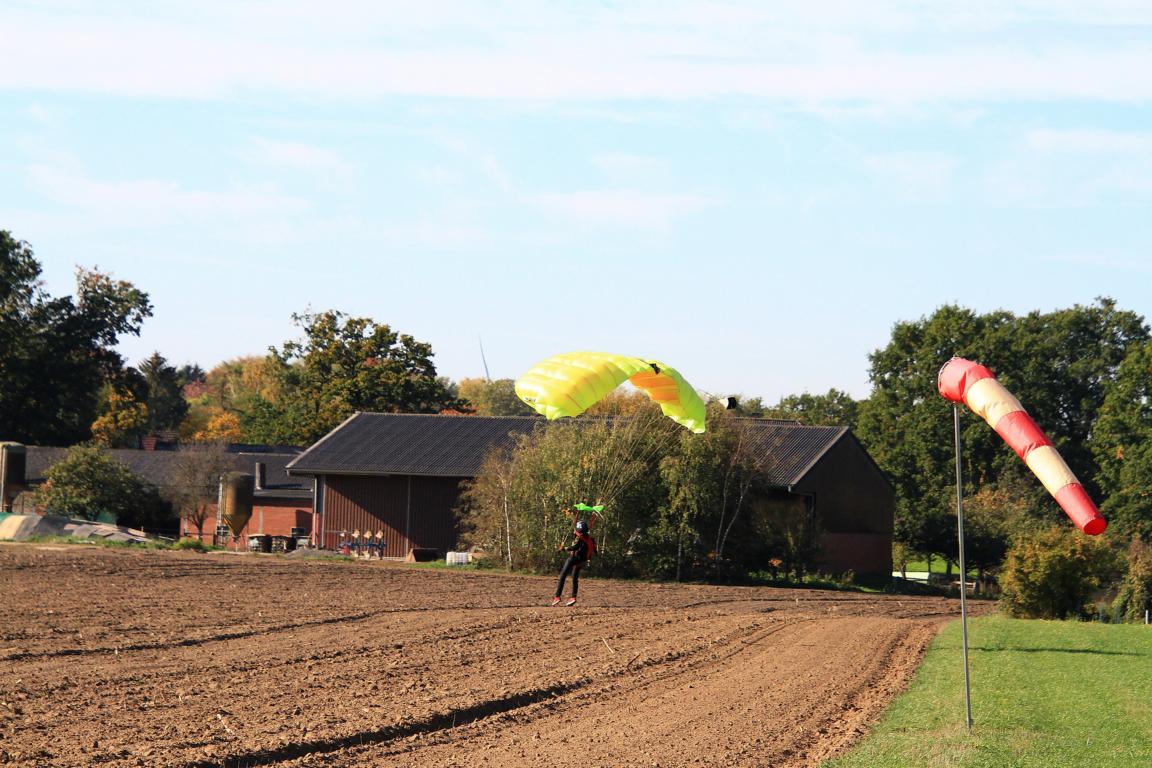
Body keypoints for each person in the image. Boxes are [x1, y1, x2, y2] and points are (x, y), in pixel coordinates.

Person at [551, 510, 597, 607]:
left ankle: (557, 596)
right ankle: (573, 597)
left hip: (574, 558)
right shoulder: (590, 538)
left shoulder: (579, 538)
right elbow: (595, 551)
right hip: (582, 561)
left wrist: (564, 548)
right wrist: (579, 514)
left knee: (563, 575)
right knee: (574, 578)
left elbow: (575, 547)